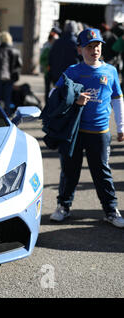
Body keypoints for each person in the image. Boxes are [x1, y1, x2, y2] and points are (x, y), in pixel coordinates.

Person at [49, 28, 124, 228]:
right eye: (89, 47)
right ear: (80, 49)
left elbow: (117, 98)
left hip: (100, 132)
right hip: (74, 131)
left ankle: (110, 210)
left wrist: (121, 126)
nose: (94, 50)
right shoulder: (72, 71)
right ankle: (63, 206)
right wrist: (75, 100)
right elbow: (53, 97)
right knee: (69, 170)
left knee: (102, 172)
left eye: (97, 46)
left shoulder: (111, 71)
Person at [0, 31, 22, 115]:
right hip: (10, 77)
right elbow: (19, 65)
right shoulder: (15, 51)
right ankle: (7, 114)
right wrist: (15, 77)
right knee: (8, 97)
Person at [48, 20, 80, 87]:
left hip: (57, 74)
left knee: (58, 95)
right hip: (71, 75)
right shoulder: (76, 43)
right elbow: (81, 58)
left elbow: (50, 57)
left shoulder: (57, 42)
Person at [40, 30, 59, 106]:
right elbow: (42, 60)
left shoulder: (56, 48)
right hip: (48, 72)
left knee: (54, 89)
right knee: (47, 90)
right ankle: (47, 105)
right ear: (51, 40)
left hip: (54, 71)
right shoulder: (47, 48)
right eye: (55, 40)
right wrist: (47, 66)